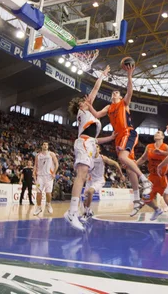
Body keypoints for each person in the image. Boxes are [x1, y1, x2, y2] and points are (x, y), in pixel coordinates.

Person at [86, 65, 153, 204]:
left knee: (123, 157)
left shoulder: (124, 103)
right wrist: (89, 105)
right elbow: (97, 114)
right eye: (113, 93)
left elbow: (130, 91)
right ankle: (136, 199)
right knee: (129, 168)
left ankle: (145, 180)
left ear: (120, 96)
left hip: (128, 132)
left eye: (117, 92)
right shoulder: (108, 107)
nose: (114, 93)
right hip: (118, 137)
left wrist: (129, 76)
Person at [64, 66, 120, 231]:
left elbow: (94, 140)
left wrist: (109, 138)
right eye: (84, 100)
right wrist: (101, 75)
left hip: (88, 143)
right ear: (80, 106)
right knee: (81, 176)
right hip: (83, 143)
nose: (88, 100)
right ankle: (72, 212)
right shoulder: (82, 113)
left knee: (82, 176)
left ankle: (75, 211)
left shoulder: (90, 115)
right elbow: (95, 89)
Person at [80, 144, 124, 222]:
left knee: (90, 192)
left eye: (97, 147)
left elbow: (116, 164)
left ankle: (86, 213)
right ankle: (89, 211)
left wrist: (121, 175)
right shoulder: (88, 157)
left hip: (99, 180)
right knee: (85, 202)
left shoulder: (102, 158)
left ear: (99, 150)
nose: (95, 148)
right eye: (93, 146)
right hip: (89, 180)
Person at [134, 130, 168, 220]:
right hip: (152, 178)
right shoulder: (149, 147)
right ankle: (157, 209)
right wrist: (133, 165)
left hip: (162, 178)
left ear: (163, 137)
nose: (156, 133)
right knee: (146, 197)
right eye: (155, 133)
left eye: (159, 133)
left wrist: (162, 153)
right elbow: (143, 158)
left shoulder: (166, 147)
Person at [33, 142, 58, 216]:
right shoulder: (38, 155)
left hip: (49, 176)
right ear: (42, 146)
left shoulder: (51, 154)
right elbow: (35, 165)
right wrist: (34, 173)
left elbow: (56, 164)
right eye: (44, 144)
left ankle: (48, 204)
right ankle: (38, 207)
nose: (45, 145)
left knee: (48, 193)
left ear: (48, 146)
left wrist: (54, 173)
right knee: (38, 193)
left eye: (47, 145)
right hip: (40, 176)